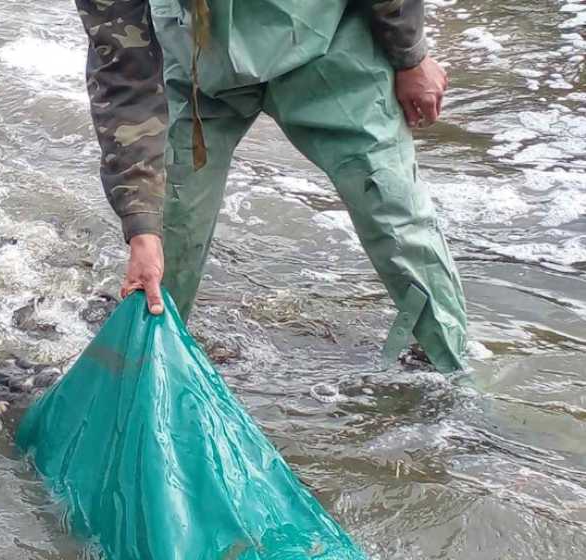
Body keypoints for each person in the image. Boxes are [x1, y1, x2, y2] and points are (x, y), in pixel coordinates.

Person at [74, 0, 467, 372]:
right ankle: (146, 373)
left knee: (393, 210)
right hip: (195, 57)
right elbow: (123, 71)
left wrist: (410, 55)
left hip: (327, 41)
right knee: (166, 237)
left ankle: (454, 381)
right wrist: (141, 225)